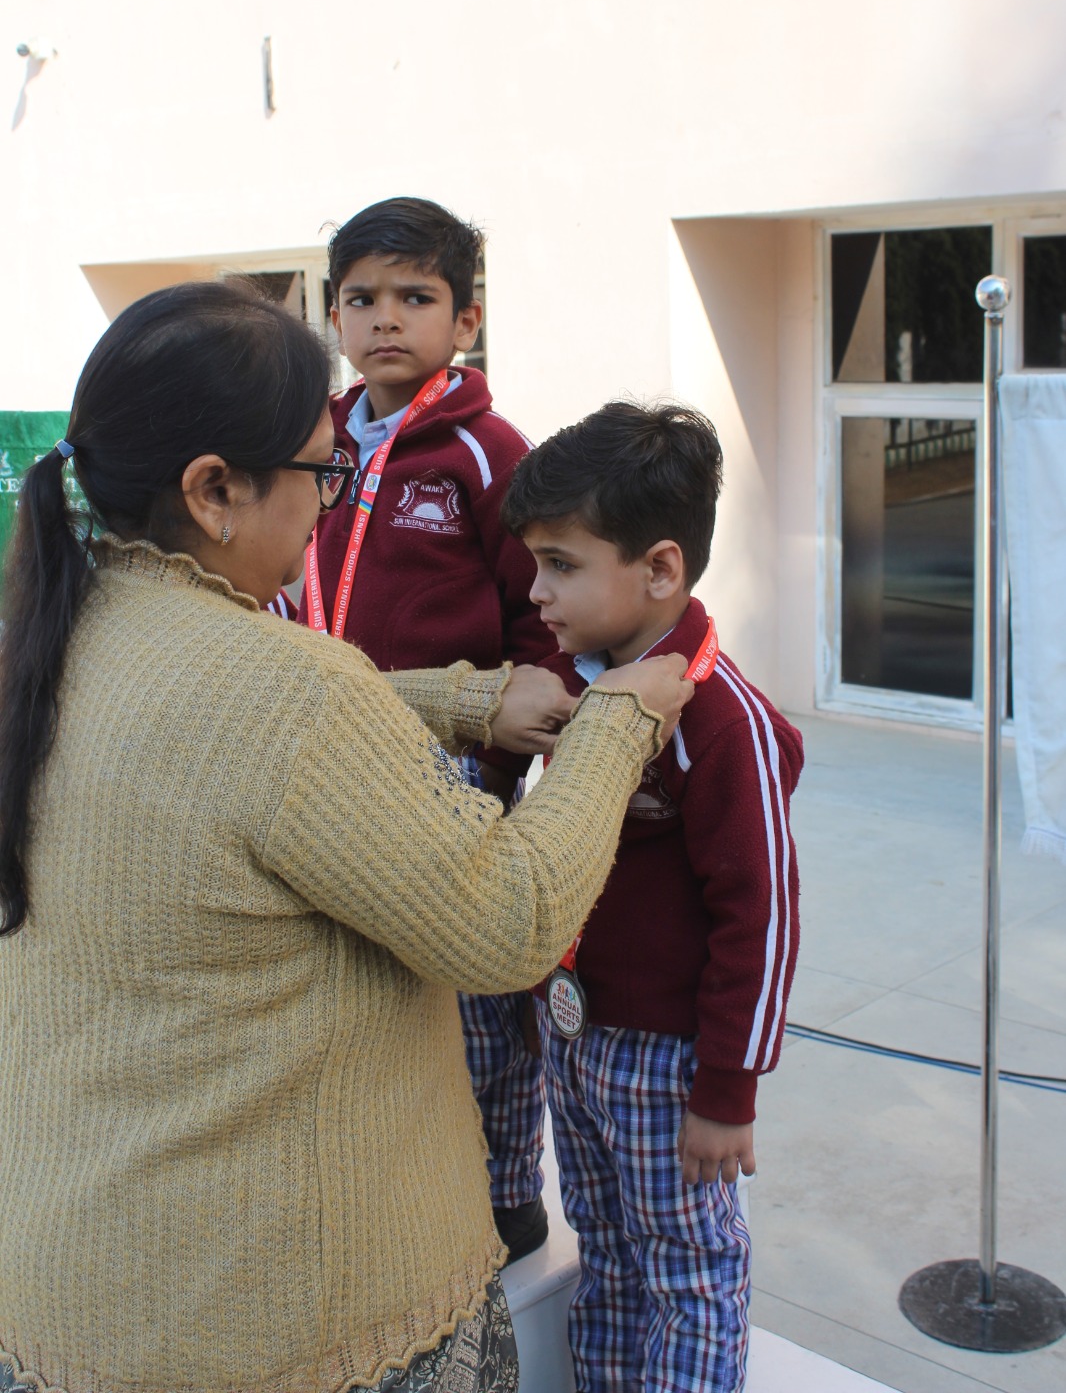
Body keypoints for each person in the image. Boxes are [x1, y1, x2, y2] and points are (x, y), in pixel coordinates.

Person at [0, 283, 694, 1393]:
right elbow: (509, 919)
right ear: (214, 492)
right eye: (322, 475)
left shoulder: (52, 637)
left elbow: (238, 745)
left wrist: (465, 700)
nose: (331, 505)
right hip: (290, 1320)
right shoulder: (287, 687)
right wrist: (621, 720)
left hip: (72, 1291)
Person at [501, 401, 804, 1393]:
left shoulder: (722, 722)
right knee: (606, 1249)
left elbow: (762, 918)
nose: (536, 592)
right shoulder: (573, 684)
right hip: (574, 1039)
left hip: (668, 1063)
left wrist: (727, 1091)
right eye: (534, 563)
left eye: (560, 564)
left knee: (686, 1267)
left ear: (661, 568)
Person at [281, 196, 556, 1263]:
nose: (385, 318)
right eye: (361, 298)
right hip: (326, 749)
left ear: (465, 320)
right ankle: (391, 1177)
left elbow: (538, 614)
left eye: (415, 296)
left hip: (449, 766)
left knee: (475, 989)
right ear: (333, 316)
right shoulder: (312, 442)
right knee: (360, 980)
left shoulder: (488, 452)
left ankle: (504, 1190)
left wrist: (502, 754)